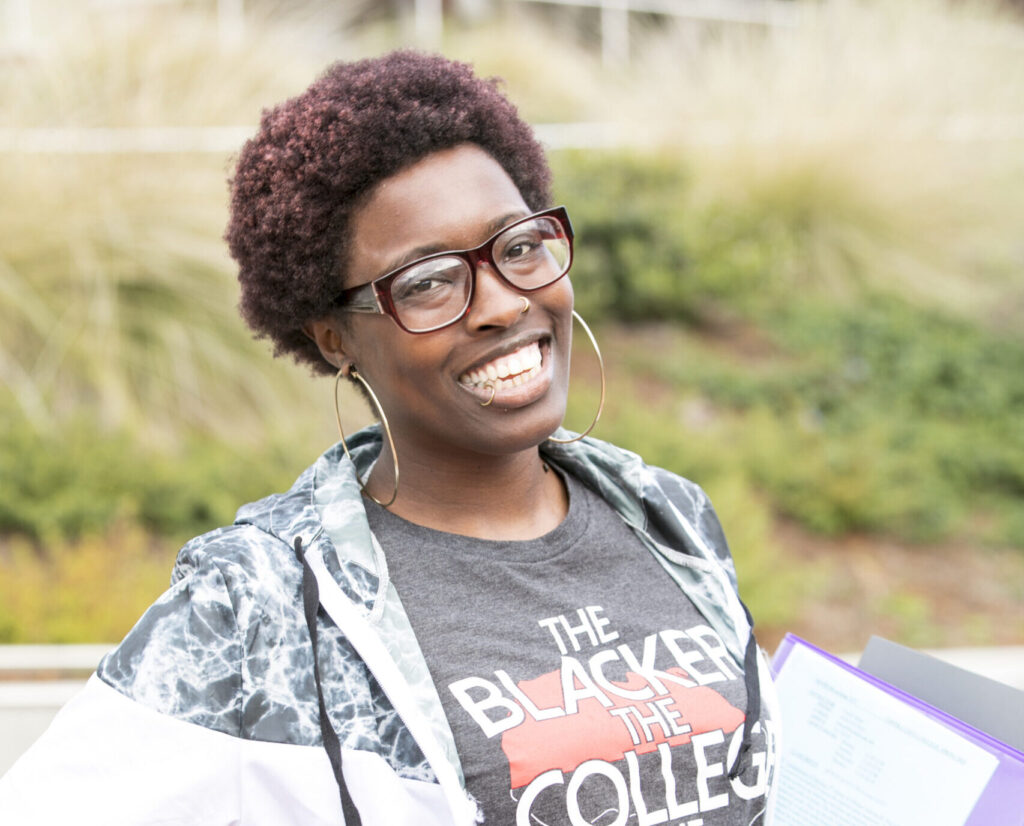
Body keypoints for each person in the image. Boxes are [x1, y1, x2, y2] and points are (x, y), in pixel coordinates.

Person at [0, 51, 778, 825]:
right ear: (335, 336)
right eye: (429, 281)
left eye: (518, 247)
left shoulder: (669, 518)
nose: (503, 304)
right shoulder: (261, 604)